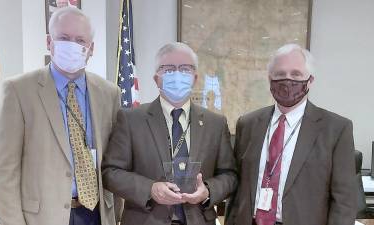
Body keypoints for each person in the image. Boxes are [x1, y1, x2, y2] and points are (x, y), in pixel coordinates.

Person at [0, 7, 119, 225]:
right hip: (42, 217)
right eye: (64, 38)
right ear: (50, 42)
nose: (72, 45)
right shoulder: (19, 90)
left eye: (80, 40)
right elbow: (5, 171)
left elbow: (115, 161)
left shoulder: (109, 93)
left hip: (97, 214)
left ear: (91, 48)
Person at [101, 42, 237, 225]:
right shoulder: (131, 119)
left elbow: (229, 175)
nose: (177, 75)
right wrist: (150, 189)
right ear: (156, 79)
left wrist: (208, 191)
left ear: (195, 78)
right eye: (169, 69)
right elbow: (111, 172)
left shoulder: (216, 124)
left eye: (185, 69)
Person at [226, 43, 357, 225]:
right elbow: (238, 185)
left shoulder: (336, 129)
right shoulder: (247, 124)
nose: (287, 81)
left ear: (310, 80)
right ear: (270, 79)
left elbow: (344, 201)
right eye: (280, 75)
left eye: (296, 74)